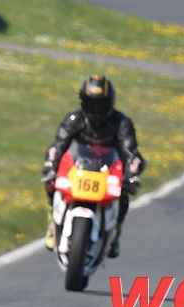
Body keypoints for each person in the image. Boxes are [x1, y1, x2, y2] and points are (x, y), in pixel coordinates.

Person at [41, 74, 146, 258]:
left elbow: (132, 154)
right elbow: (57, 146)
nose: (96, 110)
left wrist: (132, 175)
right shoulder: (74, 119)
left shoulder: (121, 123)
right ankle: (52, 223)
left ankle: (115, 234)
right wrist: (50, 165)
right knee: (50, 182)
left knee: (123, 196)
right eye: (92, 103)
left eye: (101, 104)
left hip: (109, 171)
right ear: (83, 102)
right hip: (79, 168)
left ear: (110, 103)